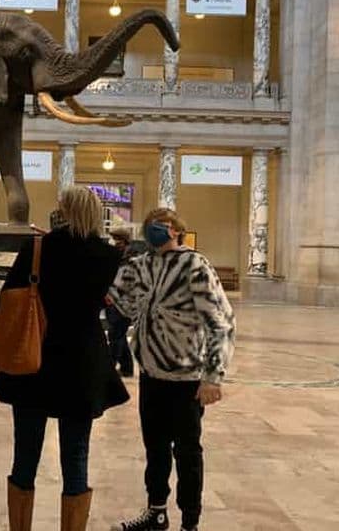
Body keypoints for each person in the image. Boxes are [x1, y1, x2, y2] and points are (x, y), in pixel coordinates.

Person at [0, 186, 130, 531]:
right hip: (83, 362)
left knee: (25, 455)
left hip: (34, 357)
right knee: (76, 455)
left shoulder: (37, 247)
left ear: (63, 209)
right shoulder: (109, 255)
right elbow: (117, 303)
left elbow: (7, 298)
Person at [108, 208, 235, 531]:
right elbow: (119, 299)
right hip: (151, 375)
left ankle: (190, 522)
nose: (154, 232)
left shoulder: (195, 265)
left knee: (188, 452)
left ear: (177, 230)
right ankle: (157, 511)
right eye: (150, 226)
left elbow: (220, 322)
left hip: (187, 377)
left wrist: (213, 376)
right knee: (155, 448)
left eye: (161, 227)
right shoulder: (142, 265)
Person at [105, 227, 134, 378]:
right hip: (112, 300)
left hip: (123, 303)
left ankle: (109, 368)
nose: (114, 242)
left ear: (124, 241)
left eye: (116, 239)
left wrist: (113, 295)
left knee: (115, 335)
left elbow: (127, 283)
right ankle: (127, 368)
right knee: (119, 335)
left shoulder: (131, 260)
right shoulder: (117, 256)